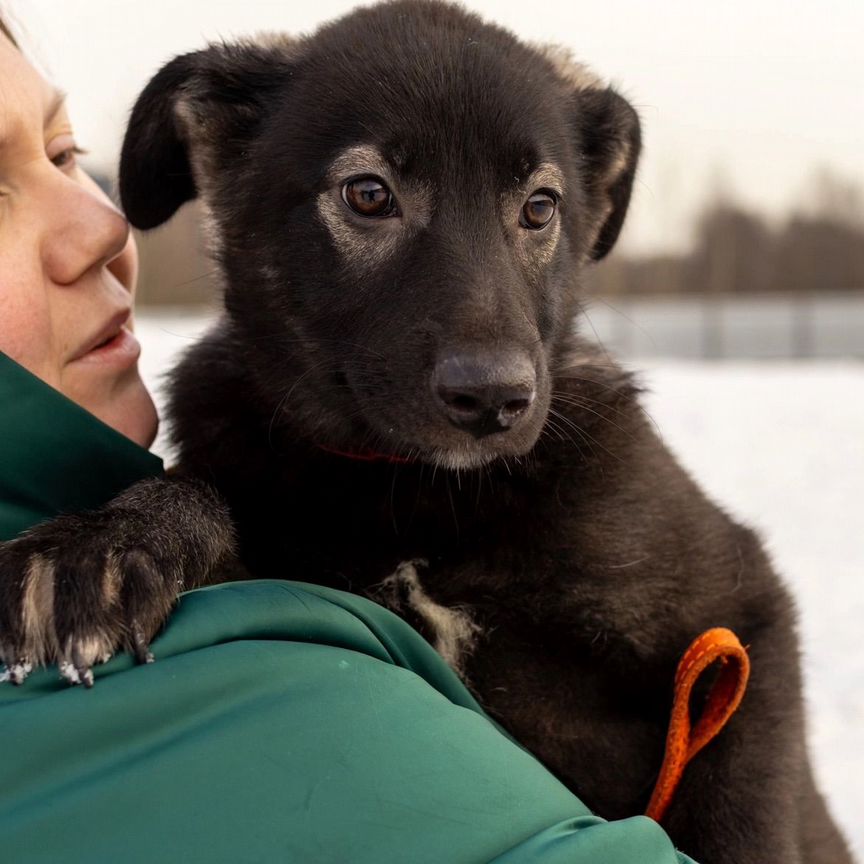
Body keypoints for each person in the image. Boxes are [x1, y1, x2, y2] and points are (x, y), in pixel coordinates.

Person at [0, 11, 697, 863]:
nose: (108, 225)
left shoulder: (597, 473)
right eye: (371, 198)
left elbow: (744, 642)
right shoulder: (226, 472)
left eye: (537, 208)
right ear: (221, 155)